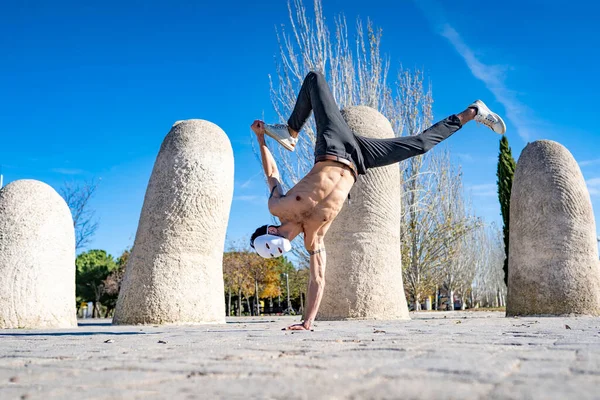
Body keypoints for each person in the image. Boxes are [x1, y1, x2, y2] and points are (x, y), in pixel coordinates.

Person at [249, 71, 505, 331]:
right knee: (420, 144)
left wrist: (261, 139)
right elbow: (318, 279)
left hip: (333, 146)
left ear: (270, 231)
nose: (278, 253)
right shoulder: (312, 239)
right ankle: (474, 111)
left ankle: (291, 131)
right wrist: (307, 322)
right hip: (360, 160)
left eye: (271, 248)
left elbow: (272, 175)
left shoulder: (279, 206)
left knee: (315, 78)